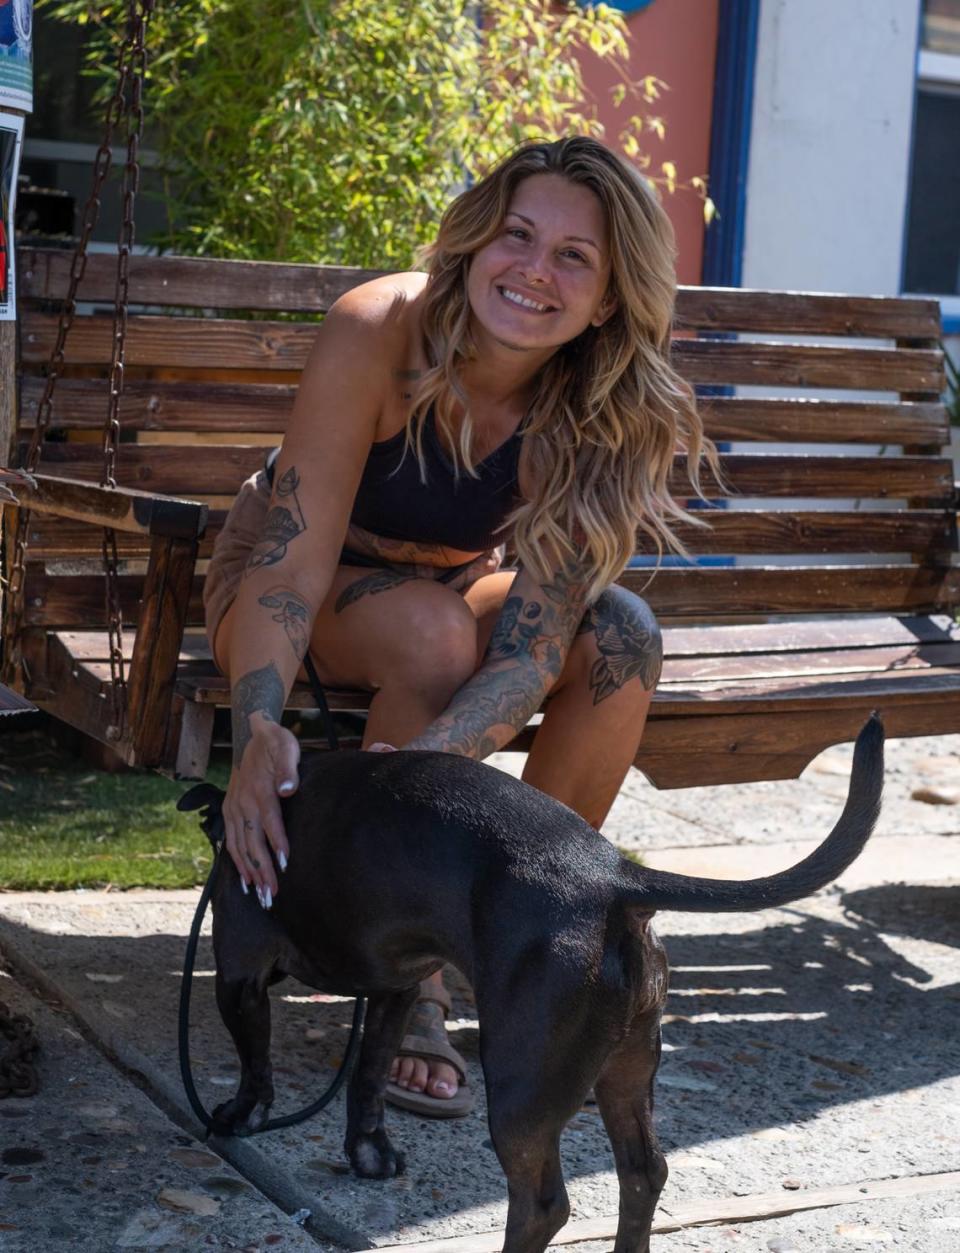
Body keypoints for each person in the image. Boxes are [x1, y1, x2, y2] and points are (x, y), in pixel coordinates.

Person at [204, 135, 712, 1119]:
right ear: (476, 242)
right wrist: (258, 727)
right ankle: (416, 985)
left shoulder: (593, 406)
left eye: (574, 256)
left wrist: (416, 779)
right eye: (516, 235)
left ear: (609, 297)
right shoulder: (383, 327)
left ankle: (528, 918)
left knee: (622, 638)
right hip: (285, 573)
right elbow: (290, 564)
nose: (533, 269)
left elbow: (526, 653)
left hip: (446, 588)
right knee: (435, 634)